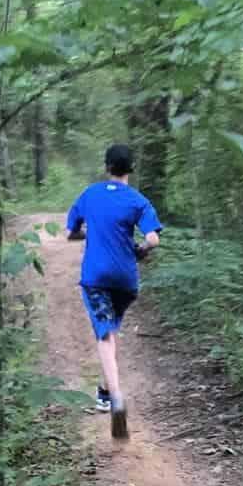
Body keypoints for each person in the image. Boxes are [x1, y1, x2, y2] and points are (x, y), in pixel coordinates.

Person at [65, 143, 162, 438]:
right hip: (126, 281)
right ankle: (105, 393)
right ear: (130, 169)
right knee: (111, 330)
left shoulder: (89, 194)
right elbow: (153, 239)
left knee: (105, 336)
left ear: (107, 167)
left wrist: (88, 233)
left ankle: (117, 397)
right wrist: (141, 249)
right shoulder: (138, 200)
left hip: (96, 278)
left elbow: (71, 233)